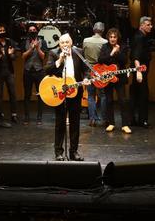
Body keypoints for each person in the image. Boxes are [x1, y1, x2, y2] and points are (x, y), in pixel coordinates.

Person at [45, 33, 90, 161]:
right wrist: (59, 60)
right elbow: (47, 70)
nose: (65, 45)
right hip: (60, 92)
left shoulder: (79, 52)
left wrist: (86, 78)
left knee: (75, 122)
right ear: (59, 44)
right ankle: (58, 152)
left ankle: (73, 152)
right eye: (62, 43)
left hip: (75, 92)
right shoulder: (53, 53)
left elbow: (86, 69)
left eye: (67, 42)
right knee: (60, 123)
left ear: (71, 42)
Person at [99, 28, 133, 134]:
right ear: (108, 38)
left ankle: (125, 125)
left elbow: (124, 60)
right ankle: (111, 123)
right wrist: (112, 53)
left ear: (117, 38)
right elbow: (100, 60)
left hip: (120, 78)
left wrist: (117, 53)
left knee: (123, 100)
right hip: (108, 78)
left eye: (115, 37)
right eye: (111, 37)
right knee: (109, 101)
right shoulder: (105, 47)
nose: (113, 39)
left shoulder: (123, 47)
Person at [81, 22, 108, 127]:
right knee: (103, 95)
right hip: (100, 71)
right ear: (103, 30)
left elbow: (83, 54)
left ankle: (92, 119)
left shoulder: (86, 40)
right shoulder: (105, 42)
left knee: (91, 96)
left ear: (93, 29)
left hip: (89, 70)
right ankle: (104, 119)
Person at [20, 24, 46, 125]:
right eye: (30, 30)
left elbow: (43, 57)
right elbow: (23, 56)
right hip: (27, 71)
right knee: (27, 95)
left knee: (40, 95)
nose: (32, 31)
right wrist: (31, 49)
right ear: (28, 31)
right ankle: (26, 117)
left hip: (39, 71)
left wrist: (38, 48)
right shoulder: (24, 42)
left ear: (37, 31)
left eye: (34, 29)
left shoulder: (42, 42)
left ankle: (39, 118)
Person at [129, 16, 153, 127]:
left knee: (135, 94)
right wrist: (138, 71)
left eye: (150, 24)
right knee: (143, 94)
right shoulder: (140, 37)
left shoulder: (140, 36)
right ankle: (142, 120)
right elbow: (136, 55)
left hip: (139, 69)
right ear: (142, 25)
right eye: (148, 25)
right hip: (140, 70)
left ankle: (133, 119)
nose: (151, 26)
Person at [0, 23, 18, 123]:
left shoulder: (10, 42)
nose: (2, 32)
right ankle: (0, 114)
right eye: (0, 31)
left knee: (12, 93)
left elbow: (14, 57)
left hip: (9, 71)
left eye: (3, 30)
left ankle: (14, 114)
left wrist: (10, 54)